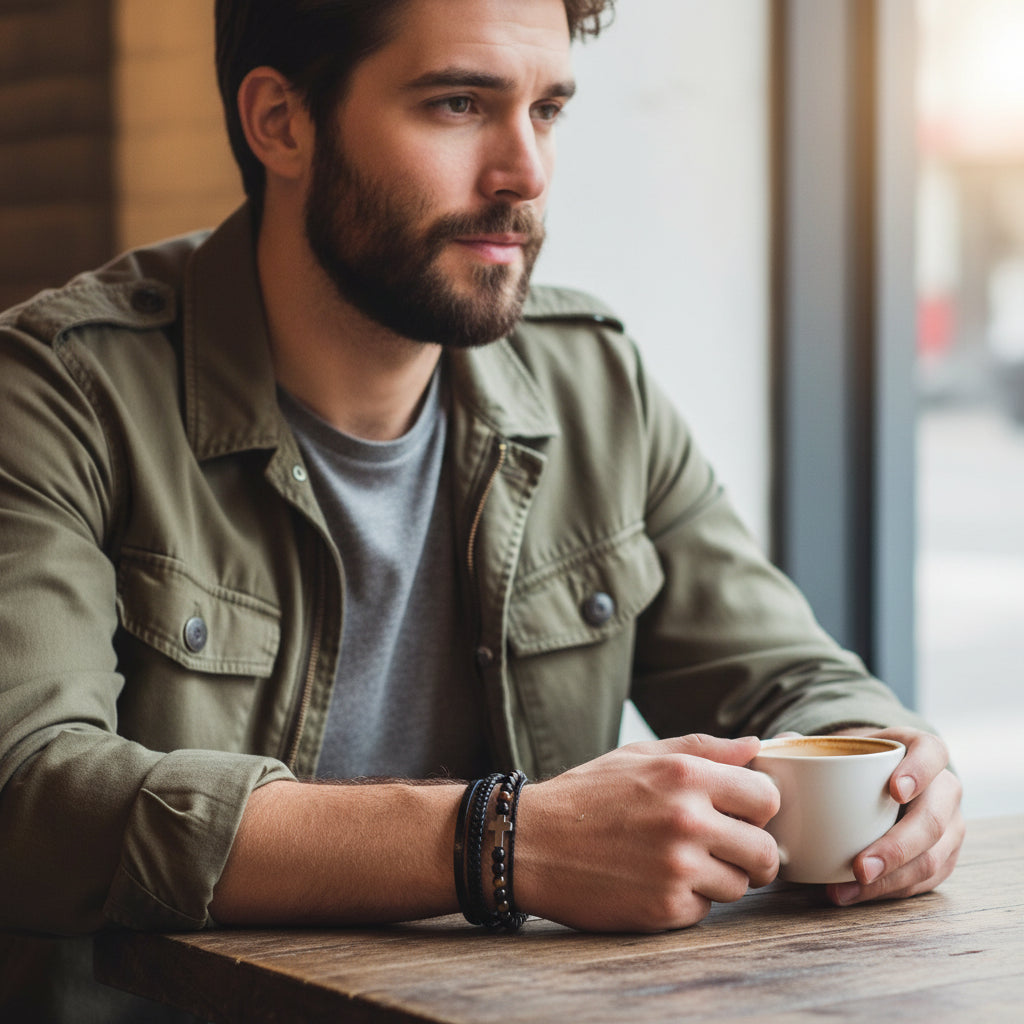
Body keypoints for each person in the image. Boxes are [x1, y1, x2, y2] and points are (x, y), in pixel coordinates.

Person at [0, 0, 964, 1020]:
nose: (525, 172)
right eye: (457, 104)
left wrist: (892, 772)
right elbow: (31, 793)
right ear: (279, 121)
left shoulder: (593, 382)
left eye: (545, 109)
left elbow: (790, 682)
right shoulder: (58, 395)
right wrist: (499, 839)